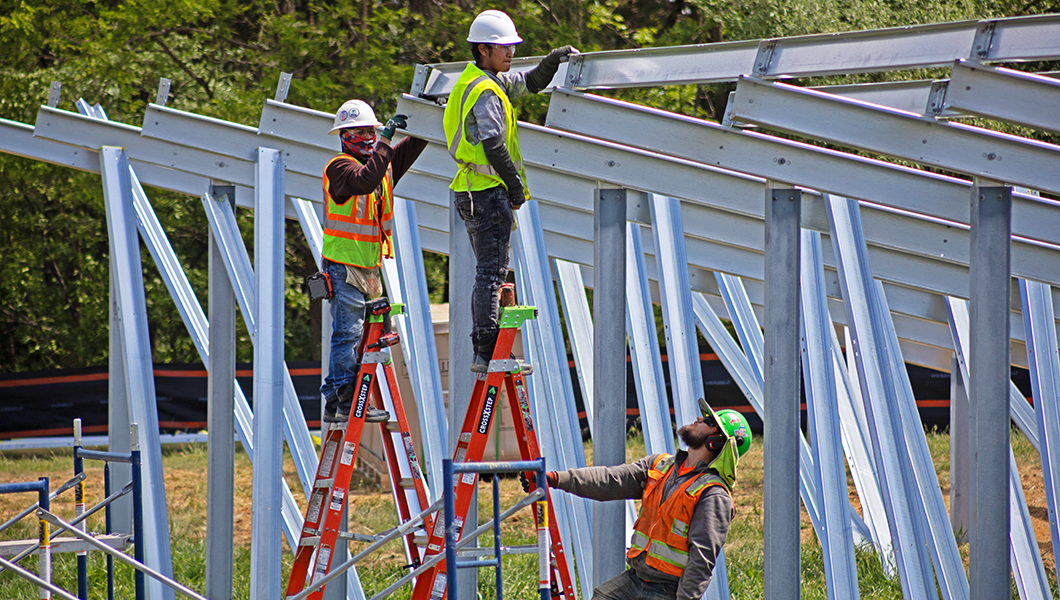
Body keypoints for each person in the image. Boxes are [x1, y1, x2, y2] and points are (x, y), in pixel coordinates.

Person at [443, 9, 578, 372]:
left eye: (512, 46)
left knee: (491, 270)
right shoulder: (486, 90)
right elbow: (492, 142)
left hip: (472, 190)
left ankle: (487, 347)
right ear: (483, 49)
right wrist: (516, 188)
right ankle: (487, 349)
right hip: (487, 192)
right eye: (503, 47)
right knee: (492, 272)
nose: (511, 53)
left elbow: (529, 83)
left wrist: (552, 62)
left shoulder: (480, 80)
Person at [536, 399, 751, 600]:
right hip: (636, 578)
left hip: (668, 590)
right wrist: (556, 479)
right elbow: (611, 480)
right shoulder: (660, 465)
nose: (699, 419)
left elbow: (701, 560)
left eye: (709, 421)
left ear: (716, 442)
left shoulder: (713, 494)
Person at [319, 99, 427, 423]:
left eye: (371, 131)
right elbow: (363, 179)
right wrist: (385, 141)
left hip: (368, 267)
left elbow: (404, 152)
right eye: (359, 132)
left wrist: (428, 119)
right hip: (342, 265)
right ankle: (349, 400)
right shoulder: (339, 167)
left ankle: (334, 400)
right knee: (348, 334)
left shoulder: (382, 169)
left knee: (371, 330)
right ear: (343, 136)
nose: (367, 137)